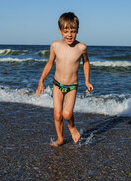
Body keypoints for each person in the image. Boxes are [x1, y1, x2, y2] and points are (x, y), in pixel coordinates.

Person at [36, 12, 94, 147]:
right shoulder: (55, 45)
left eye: (73, 31)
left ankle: (72, 127)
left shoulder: (81, 47)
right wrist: (41, 81)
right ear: (60, 30)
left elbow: (86, 62)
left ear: (77, 30)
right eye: (66, 31)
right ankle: (60, 139)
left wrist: (87, 80)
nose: (69, 34)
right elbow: (50, 63)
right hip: (57, 84)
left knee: (67, 114)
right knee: (57, 115)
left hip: (72, 86)